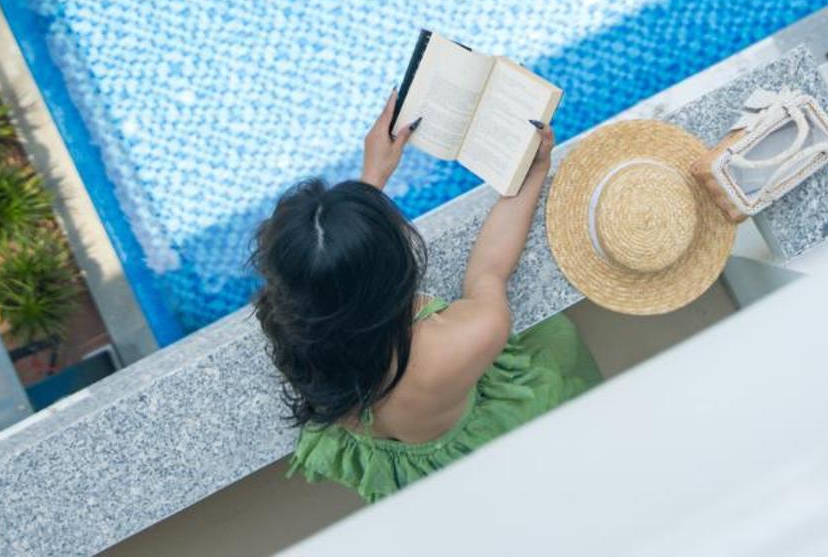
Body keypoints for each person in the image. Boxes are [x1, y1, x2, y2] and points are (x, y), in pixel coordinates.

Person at [253, 92, 601, 501]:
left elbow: (333, 278)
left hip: (411, 465)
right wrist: (535, 169)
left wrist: (371, 179)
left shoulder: (299, 336)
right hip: (492, 450)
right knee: (554, 337)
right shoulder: (454, 342)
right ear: (395, 274)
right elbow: (486, 273)